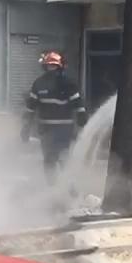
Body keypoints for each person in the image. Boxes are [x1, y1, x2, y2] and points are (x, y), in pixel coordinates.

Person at [22, 51, 87, 183]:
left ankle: (68, 186)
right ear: (45, 67)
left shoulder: (68, 84)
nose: (51, 69)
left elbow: (78, 104)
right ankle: (52, 186)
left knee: (63, 158)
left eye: (53, 66)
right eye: (49, 66)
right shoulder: (39, 84)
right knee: (49, 159)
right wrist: (26, 127)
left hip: (64, 129)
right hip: (47, 130)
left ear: (59, 67)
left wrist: (82, 119)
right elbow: (31, 107)